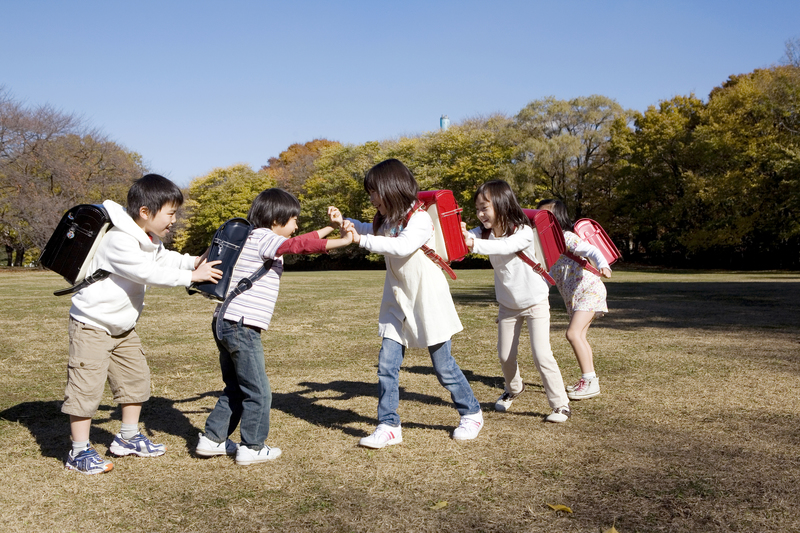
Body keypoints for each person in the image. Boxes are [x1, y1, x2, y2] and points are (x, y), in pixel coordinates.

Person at [63, 173, 224, 475]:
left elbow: (164, 261)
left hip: (123, 327)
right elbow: (147, 273)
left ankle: (128, 438)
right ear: (146, 212)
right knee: (86, 389)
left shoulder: (149, 238)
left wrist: (194, 261)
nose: (174, 219)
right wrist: (192, 277)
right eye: (171, 213)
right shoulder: (119, 240)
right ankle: (79, 452)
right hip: (92, 325)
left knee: (135, 381)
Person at [330, 158, 483, 448]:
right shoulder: (386, 220)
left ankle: (471, 412)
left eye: (375, 191)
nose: (372, 198)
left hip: (427, 300)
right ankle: (388, 425)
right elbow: (370, 229)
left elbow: (401, 246)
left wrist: (359, 240)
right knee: (387, 364)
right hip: (397, 300)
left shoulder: (420, 219)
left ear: (392, 188)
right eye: (370, 192)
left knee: (444, 366)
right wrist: (347, 224)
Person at [196, 188, 353, 465]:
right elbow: (298, 246)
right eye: (293, 219)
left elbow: (300, 240)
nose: (296, 226)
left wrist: (330, 228)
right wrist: (343, 241)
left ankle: (213, 439)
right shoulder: (265, 238)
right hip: (242, 326)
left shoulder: (251, 237)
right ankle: (253, 447)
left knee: (235, 386)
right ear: (276, 219)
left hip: (224, 321)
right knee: (258, 391)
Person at [462, 180, 571, 422]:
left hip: (535, 301)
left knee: (542, 354)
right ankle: (514, 388)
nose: (480, 214)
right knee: (505, 356)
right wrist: (460, 234)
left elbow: (506, 246)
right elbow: (467, 238)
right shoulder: (483, 232)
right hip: (508, 305)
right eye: (477, 209)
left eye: (485, 208)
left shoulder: (522, 230)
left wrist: (473, 243)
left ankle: (560, 405)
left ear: (501, 204)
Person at [536, 199, 611, 401]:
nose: (539, 221)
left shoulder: (565, 237)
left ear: (557, 219)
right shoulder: (548, 247)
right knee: (579, 337)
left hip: (589, 291)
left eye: (545, 217)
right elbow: (547, 277)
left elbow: (592, 251)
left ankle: (589, 382)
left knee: (573, 334)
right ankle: (589, 379)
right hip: (575, 297)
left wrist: (604, 265)